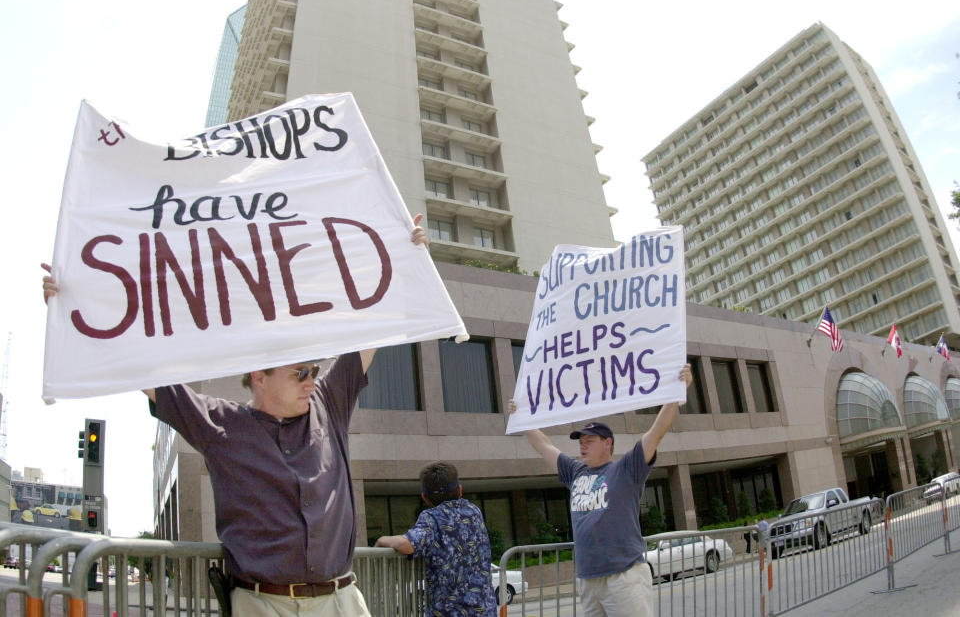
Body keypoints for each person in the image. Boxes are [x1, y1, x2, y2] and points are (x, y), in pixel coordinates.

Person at [42, 215, 430, 617]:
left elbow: (376, 329)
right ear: (259, 377)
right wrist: (76, 302)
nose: (311, 380)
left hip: (341, 601)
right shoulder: (220, 425)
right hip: (261, 604)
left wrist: (405, 257)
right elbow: (139, 365)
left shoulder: (328, 405)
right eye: (300, 372)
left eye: (314, 370)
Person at [510, 365, 692, 617]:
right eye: (580, 442)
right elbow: (545, 446)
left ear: (607, 443)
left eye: (589, 441)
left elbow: (655, 434)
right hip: (588, 579)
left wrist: (676, 393)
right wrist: (523, 418)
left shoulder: (627, 469)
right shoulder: (574, 472)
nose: (582, 446)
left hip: (624, 576)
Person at [375, 462, 497, 616]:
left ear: (425, 498)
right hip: (484, 609)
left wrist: (381, 540)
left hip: (449, 611)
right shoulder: (474, 512)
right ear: (460, 490)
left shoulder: (432, 518)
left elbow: (406, 544)